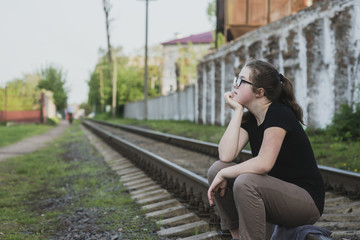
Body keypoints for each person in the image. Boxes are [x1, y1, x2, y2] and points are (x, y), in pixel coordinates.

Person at [207, 60, 325, 240]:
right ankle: (238, 237)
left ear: (259, 92)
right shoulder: (251, 119)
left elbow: (264, 163)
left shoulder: (278, 113)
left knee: (244, 181)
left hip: (305, 201)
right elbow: (225, 155)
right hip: (273, 195)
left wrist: (226, 174)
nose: (234, 84)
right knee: (216, 168)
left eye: (241, 80)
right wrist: (237, 112)